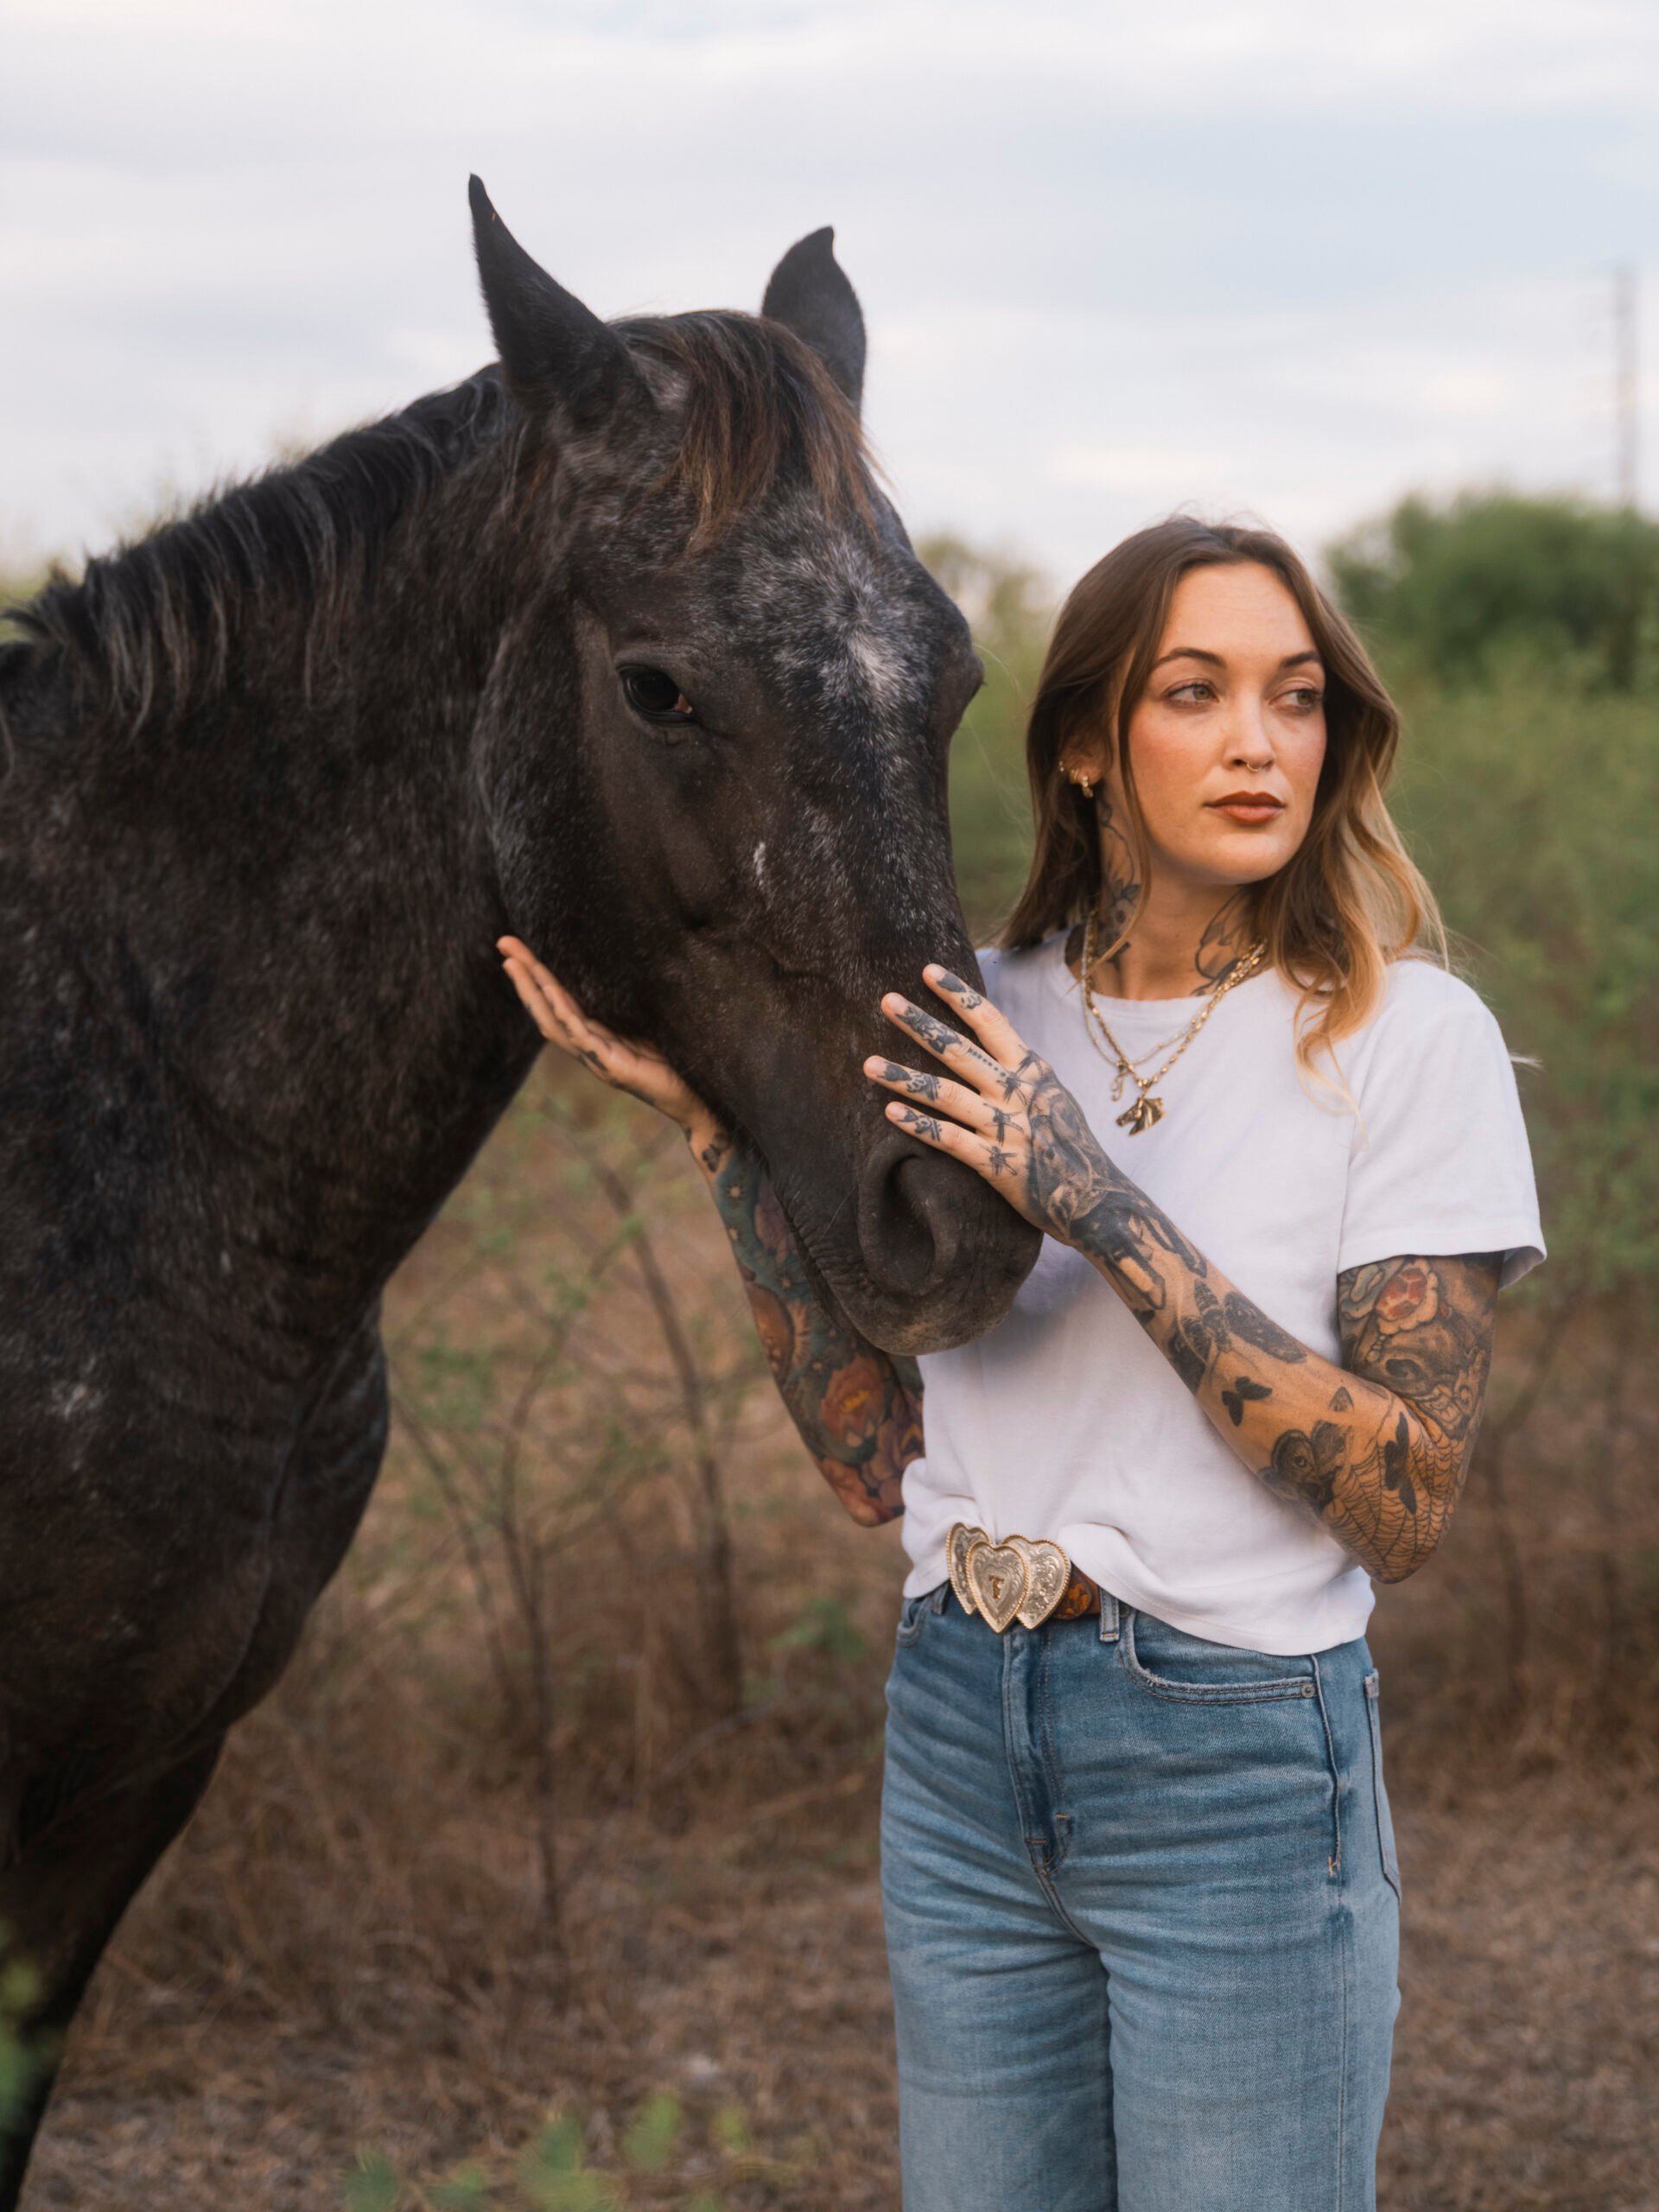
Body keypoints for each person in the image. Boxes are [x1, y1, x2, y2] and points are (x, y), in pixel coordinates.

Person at [498, 516, 1544, 2212]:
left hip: (1233, 1755)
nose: (1260, 740)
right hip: (959, 1737)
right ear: (1083, 745)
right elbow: (874, 1468)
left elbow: (1404, 1499)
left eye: (1295, 696)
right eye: (1195, 692)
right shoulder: (963, 1017)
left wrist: (1093, 1199)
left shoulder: (1403, 1036)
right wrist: (718, 1142)